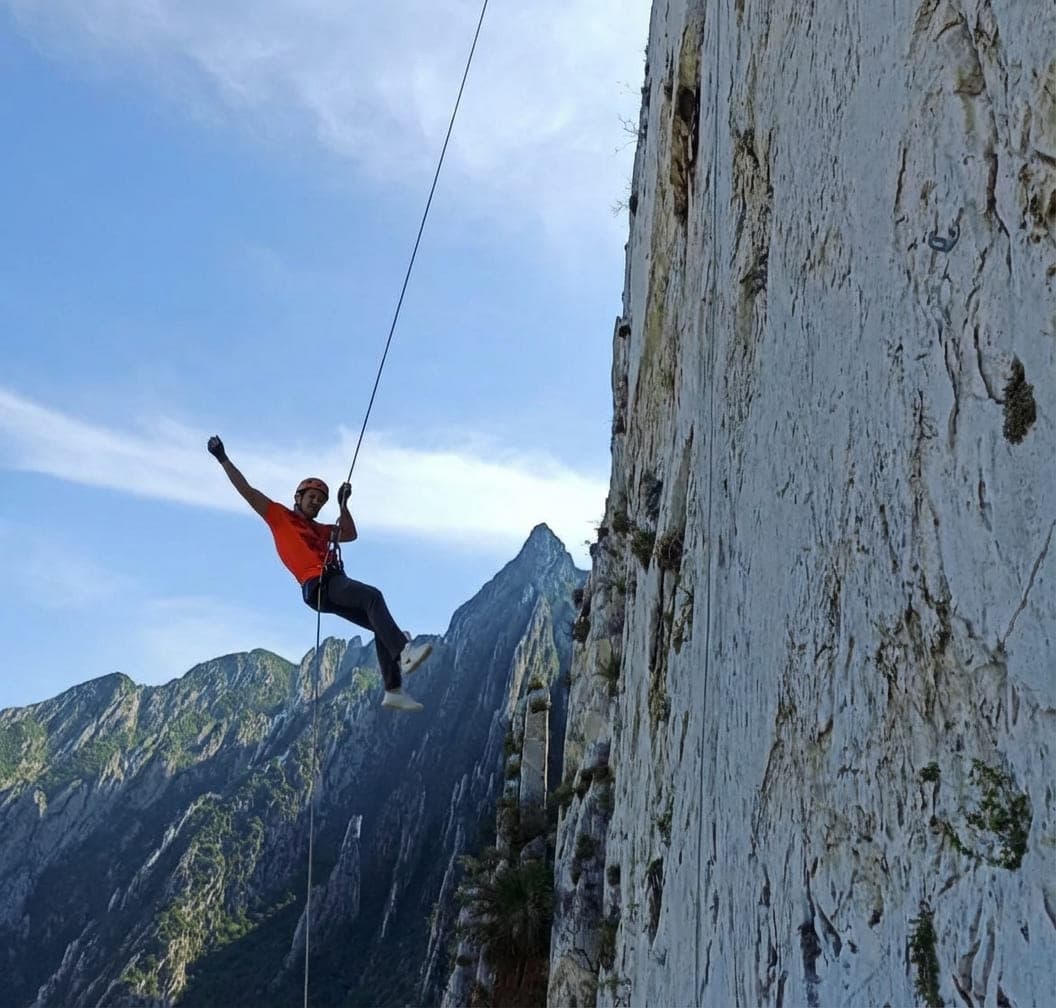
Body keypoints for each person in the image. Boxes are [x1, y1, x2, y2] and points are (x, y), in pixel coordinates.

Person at [207, 435, 431, 711]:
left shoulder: (321, 530)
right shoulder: (279, 516)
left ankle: (393, 690)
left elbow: (349, 534)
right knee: (373, 597)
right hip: (321, 583)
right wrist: (223, 458)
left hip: (327, 588)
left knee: (379, 625)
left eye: (320, 501)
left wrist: (342, 506)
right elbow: (247, 490)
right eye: (312, 497)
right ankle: (404, 652)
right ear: (298, 498)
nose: (316, 503)